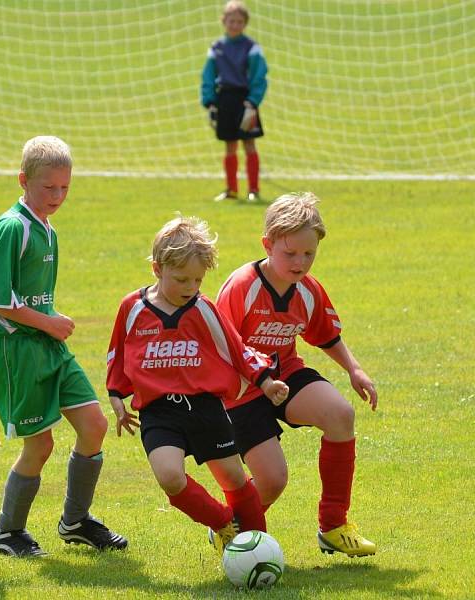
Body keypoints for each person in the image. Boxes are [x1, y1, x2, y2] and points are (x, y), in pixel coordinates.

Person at [0, 136, 127, 557]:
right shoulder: (12, 228)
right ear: (23, 180)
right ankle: (7, 532)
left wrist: (51, 321)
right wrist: (49, 323)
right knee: (40, 445)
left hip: (45, 342)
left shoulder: (47, 229)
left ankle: (75, 521)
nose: (57, 196)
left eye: (64, 188)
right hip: (14, 348)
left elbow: (32, 297)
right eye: (48, 188)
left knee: (94, 426)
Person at [106, 216, 288, 554]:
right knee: (170, 478)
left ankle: (259, 548)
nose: (190, 287)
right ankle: (223, 523)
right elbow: (118, 353)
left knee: (234, 478)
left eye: (198, 279)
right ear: (157, 268)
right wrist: (117, 395)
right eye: (181, 279)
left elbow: (236, 348)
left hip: (205, 408)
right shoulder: (132, 308)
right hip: (158, 411)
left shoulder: (203, 308)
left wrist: (265, 381)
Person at [216, 192, 378, 557]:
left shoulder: (308, 289)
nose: (300, 262)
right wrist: (259, 380)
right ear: (267, 244)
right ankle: (232, 524)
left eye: (309, 254)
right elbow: (222, 347)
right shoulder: (242, 287)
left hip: (284, 374)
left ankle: (333, 526)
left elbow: (326, 334)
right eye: (290, 254)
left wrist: (353, 368)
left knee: (341, 415)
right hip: (240, 389)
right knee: (273, 480)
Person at [200, 0, 268, 203]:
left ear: (245, 23)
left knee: (249, 144)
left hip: (245, 100)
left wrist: (252, 103)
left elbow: (259, 77)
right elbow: (208, 77)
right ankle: (231, 190)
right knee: (230, 146)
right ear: (224, 21)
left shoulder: (252, 48)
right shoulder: (216, 48)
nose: (235, 25)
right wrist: (210, 102)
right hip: (225, 100)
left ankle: (253, 190)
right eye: (231, 20)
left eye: (239, 21)